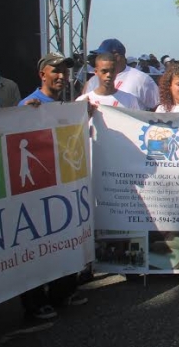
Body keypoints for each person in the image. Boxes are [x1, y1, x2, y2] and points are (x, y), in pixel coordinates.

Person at [18, 52, 87, 322]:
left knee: (63, 238)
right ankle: (34, 303)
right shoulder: (29, 105)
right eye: (55, 70)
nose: (61, 75)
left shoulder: (67, 107)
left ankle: (62, 292)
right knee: (35, 245)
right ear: (42, 75)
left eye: (64, 71)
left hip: (62, 187)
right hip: (36, 190)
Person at [82, 39, 159, 110]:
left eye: (104, 55)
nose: (100, 58)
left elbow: (157, 107)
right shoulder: (93, 81)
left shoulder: (141, 79)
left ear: (118, 57)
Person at [76, 53, 142, 109]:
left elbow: (137, 122)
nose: (109, 75)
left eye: (112, 71)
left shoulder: (129, 99)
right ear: (96, 72)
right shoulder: (83, 101)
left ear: (117, 71)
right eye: (104, 71)